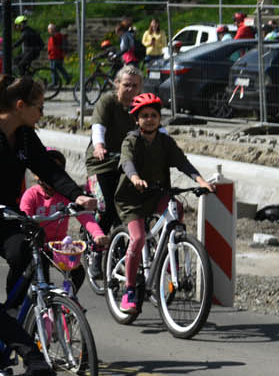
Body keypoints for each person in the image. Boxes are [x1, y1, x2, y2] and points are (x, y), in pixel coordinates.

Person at [0, 76, 98, 376]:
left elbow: (48, 168)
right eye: (39, 107)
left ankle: (11, 320)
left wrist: (77, 195)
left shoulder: (25, 136)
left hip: (4, 217)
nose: (42, 113)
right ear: (19, 106)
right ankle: (26, 348)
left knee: (28, 253)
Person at [113, 93, 214, 312]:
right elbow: (127, 162)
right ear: (137, 120)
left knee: (176, 207)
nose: (149, 119)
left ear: (160, 118)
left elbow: (183, 163)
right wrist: (135, 178)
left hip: (157, 193)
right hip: (132, 198)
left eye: (154, 115)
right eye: (145, 116)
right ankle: (129, 289)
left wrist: (201, 181)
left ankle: (169, 255)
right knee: (138, 239)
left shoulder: (165, 141)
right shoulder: (131, 140)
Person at [20, 148, 107, 293]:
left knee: (78, 274)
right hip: (37, 245)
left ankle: (68, 303)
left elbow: (84, 215)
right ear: (37, 174)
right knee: (42, 281)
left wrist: (97, 234)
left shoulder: (65, 195)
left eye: (56, 171)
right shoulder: (31, 195)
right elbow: (23, 217)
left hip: (59, 245)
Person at [88, 65, 145, 236]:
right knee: (107, 207)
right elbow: (98, 126)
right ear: (117, 84)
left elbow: (154, 127)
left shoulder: (140, 106)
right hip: (103, 162)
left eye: (135, 86)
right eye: (126, 84)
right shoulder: (108, 102)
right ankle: (96, 245)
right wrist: (99, 145)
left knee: (130, 208)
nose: (130, 89)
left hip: (126, 163)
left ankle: (119, 246)